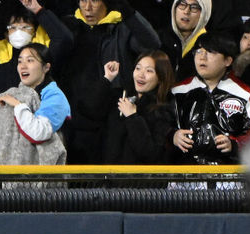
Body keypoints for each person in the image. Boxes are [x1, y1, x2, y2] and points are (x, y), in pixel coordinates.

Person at [58, 0, 160, 163]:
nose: (88, 7)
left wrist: (128, 12)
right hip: (75, 117)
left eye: (95, 1)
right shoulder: (69, 26)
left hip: (110, 117)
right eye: (83, 0)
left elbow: (152, 45)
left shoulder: (122, 27)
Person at [171, 31, 250, 164]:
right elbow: (161, 126)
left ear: (228, 60)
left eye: (210, 52)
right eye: (199, 51)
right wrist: (172, 136)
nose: (202, 57)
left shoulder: (245, 94)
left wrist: (235, 145)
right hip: (184, 175)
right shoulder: (177, 91)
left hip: (228, 178)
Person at [0, 42, 68, 179]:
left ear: (46, 67)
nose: (23, 66)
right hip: (7, 178)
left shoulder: (55, 96)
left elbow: (39, 132)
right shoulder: (15, 93)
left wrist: (17, 105)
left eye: (30, 60)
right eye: (20, 61)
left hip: (40, 185)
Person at [0, 0, 73, 103]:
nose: (18, 31)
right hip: (2, 116)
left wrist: (38, 10)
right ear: (7, 33)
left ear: (34, 31)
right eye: (13, 27)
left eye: (25, 27)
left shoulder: (44, 54)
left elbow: (64, 38)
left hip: (37, 115)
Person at [81, 49, 176, 164]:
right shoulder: (121, 96)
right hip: (108, 176)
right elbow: (89, 111)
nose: (141, 75)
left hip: (137, 180)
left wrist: (133, 117)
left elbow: (150, 153)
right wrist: (107, 79)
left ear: (161, 77)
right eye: (138, 68)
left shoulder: (163, 110)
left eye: (149, 71)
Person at [159, 0, 210, 81]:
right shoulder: (160, 39)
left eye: (194, 7)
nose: (186, 11)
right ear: (174, 8)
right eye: (182, 4)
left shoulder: (210, 47)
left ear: (204, 13)